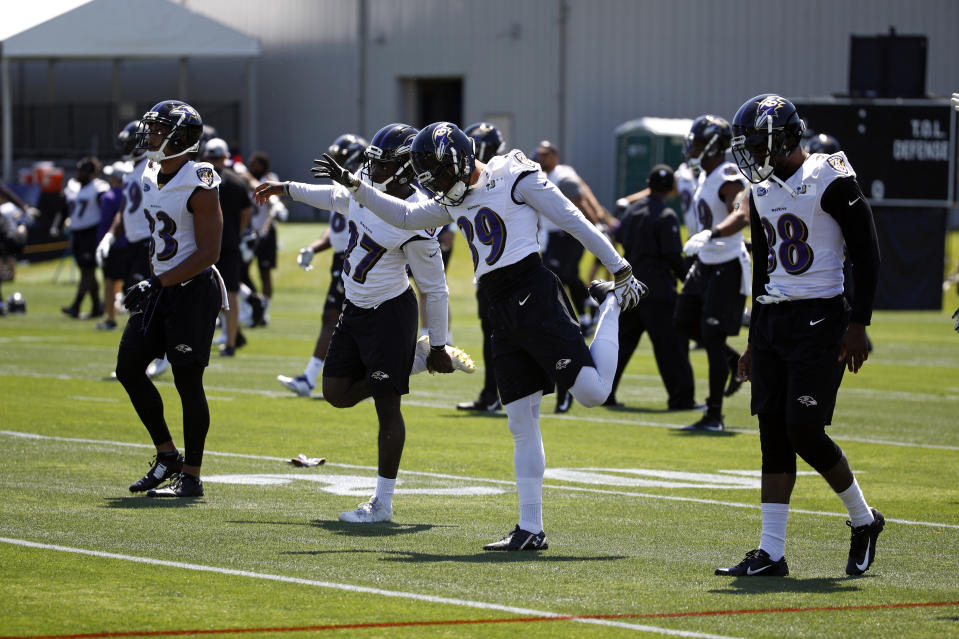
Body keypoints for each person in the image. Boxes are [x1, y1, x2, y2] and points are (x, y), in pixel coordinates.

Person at [312, 121, 646, 550]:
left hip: (533, 292)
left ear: (461, 161)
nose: (435, 186)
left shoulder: (513, 174)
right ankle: (531, 529)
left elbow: (571, 217)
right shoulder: (454, 197)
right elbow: (406, 215)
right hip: (498, 306)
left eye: (438, 176)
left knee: (592, 393)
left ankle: (610, 306)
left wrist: (618, 269)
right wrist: (355, 187)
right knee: (521, 423)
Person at [255, 123, 473, 523]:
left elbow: (436, 289)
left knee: (388, 406)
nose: (374, 169)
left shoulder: (417, 218)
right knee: (335, 392)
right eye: (373, 160)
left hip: (391, 313)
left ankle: (383, 504)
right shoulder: (364, 190)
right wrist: (285, 187)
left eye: (384, 163)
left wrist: (440, 344)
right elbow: (334, 197)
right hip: (355, 309)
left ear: (408, 168)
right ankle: (415, 361)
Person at [713, 94, 883, 577]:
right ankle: (771, 553)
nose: (749, 155)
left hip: (821, 315)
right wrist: (752, 335)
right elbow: (764, 266)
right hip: (773, 318)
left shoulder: (829, 176)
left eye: (756, 145)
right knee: (772, 431)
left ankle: (864, 519)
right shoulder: (760, 187)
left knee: (804, 429)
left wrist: (858, 324)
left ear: (784, 139)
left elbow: (867, 253)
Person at [118, 100, 225, 498]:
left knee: (186, 380)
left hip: (193, 290)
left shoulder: (200, 178)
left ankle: (192, 475)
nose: (151, 136)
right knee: (128, 368)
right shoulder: (150, 172)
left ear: (180, 138)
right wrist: (152, 280)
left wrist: (156, 283)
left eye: (159, 131)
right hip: (160, 286)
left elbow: (208, 253)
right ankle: (167, 456)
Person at [277, 134, 368, 397]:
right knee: (340, 319)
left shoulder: (361, 189)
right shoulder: (342, 189)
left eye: (340, 158)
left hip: (357, 259)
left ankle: (311, 377)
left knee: (336, 318)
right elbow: (335, 231)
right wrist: (313, 248)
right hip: (343, 258)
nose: (336, 163)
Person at [675, 115, 749, 432]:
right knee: (682, 321)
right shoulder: (704, 175)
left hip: (727, 264)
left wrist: (713, 233)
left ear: (713, 146)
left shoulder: (727, 175)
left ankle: (714, 416)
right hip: (705, 263)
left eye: (699, 142)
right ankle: (734, 362)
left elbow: (742, 212)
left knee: (713, 337)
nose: (692, 147)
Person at [606, 165, 697, 410]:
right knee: (671, 347)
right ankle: (681, 398)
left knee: (621, 345)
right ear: (670, 188)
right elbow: (671, 255)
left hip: (630, 289)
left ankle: (604, 391)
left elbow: (620, 239)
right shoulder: (666, 216)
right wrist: (688, 278)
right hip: (657, 291)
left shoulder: (633, 211)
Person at [534, 140, 611, 412]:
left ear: (555, 155)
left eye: (544, 154)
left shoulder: (563, 176)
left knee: (562, 276)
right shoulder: (540, 174)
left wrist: (597, 220)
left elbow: (580, 202)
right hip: (551, 236)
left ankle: (584, 307)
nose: (539, 157)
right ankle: (584, 307)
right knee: (555, 279)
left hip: (568, 235)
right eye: (538, 154)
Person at [98, 120, 170, 378]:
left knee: (146, 304)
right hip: (133, 243)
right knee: (141, 304)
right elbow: (124, 209)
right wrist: (109, 235)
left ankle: (152, 358)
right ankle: (148, 357)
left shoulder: (153, 169)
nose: (127, 147)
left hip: (149, 244)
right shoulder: (132, 171)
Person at [456, 122, 507, 412]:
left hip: (512, 273)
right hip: (487, 273)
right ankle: (491, 395)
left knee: (519, 336)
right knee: (492, 337)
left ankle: (564, 386)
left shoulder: (503, 174)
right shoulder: (470, 184)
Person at [205, 137, 252, 357]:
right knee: (230, 294)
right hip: (229, 243)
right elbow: (246, 213)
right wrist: (237, 233)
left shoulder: (200, 181)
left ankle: (203, 341)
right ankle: (232, 341)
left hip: (205, 245)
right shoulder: (236, 181)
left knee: (204, 294)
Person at [57, 158, 110, 319]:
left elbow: (106, 208)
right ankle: (96, 307)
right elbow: (65, 208)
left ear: (91, 173)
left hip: (91, 232)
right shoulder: (72, 186)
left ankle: (76, 305)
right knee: (87, 271)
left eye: (83, 171)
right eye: (79, 170)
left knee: (87, 271)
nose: (79, 173)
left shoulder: (99, 188)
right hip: (77, 233)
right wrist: (58, 225)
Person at [94, 163, 128, 331]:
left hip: (113, 245)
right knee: (122, 281)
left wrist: (101, 243)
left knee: (109, 281)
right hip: (128, 244)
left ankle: (110, 316)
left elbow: (105, 224)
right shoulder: (131, 194)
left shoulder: (108, 197)